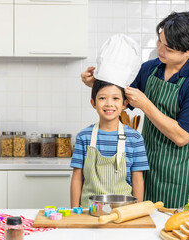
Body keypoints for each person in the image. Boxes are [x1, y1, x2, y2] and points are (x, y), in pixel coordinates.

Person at [81, 12, 189, 208]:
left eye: (168, 48)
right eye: (160, 41)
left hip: (182, 174)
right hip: (149, 168)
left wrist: (146, 104)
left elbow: (181, 137)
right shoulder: (149, 69)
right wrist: (93, 82)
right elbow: (120, 97)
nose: (160, 49)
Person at [70, 35, 149, 208]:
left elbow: (137, 179)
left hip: (124, 213)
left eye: (115, 98)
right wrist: (75, 210)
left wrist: (137, 211)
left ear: (124, 104)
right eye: (102, 98)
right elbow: (77, 177)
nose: (109, 104)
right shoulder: (84, 137)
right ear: (93, 103)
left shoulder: (134, 138)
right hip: (88, 212)